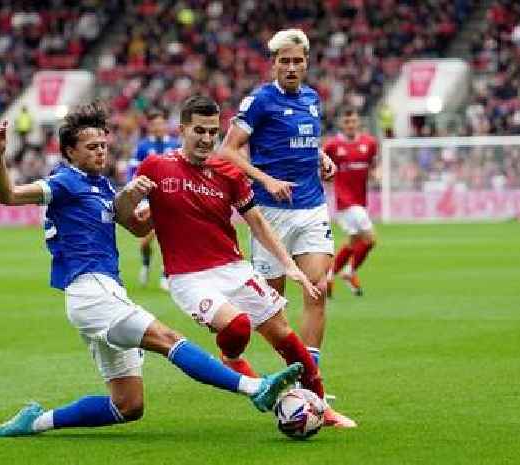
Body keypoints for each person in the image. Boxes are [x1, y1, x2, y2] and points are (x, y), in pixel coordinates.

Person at [0, 103, 302, 437]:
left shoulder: (104, 187)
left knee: (127, 405)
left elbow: (137, 228)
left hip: (104, 292)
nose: (100, 153)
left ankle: (34, 422)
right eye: (91, 148)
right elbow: (10, 195)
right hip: (90, 290)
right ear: (69, 152)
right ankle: (255, 387)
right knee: (168, 339)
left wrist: (165, 198)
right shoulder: (64, 182)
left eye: (104, 146)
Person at [135, 95, 355, 428]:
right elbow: (132, 219)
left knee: (283, 332)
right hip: (188, 277)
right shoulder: (155, 166)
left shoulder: (228, 171)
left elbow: (257, 222)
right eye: (199, 130)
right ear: (181, 129)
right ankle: (235, 362)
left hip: (233, 268)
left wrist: (289, 265)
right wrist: (129, 205)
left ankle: (321, 406)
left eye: (212, 131)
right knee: (237, 326)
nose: (207, 139)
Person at [217, 29, 337, 378]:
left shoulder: (313, 99)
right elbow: (227, 150)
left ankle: (309, 377)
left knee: (317, 289)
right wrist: (265, 179)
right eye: (284, 61)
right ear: (273, 65)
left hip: (312, 206)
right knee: (272, 305)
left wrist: (322, 156)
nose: (291, 66)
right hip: (271, 213)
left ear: (306, 63)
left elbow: (305, 140)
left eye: (297, 61)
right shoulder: (260, 102)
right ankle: (235, 352)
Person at [323, 107, 378, 297]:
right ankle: (349, 271)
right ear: (341, 124)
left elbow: (372, 165)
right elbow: (321, 167)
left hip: (360, 201)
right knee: (370, 239)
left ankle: (330, 275)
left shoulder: (369, 143)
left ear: (358, 123)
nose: (350, 125)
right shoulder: (332, 146)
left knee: (353, 242)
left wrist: (375, 174)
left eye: (353, 121)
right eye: (347, 122)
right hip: (344, 202)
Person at [126, 109, 181, 290]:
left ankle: (166, 274)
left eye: (161, 123)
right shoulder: (142, 147)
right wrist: (132, 192)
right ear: (150, 127)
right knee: (145, 241)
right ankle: (146, 263)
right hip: (147, 199)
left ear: (166, 125)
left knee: (169, 236)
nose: (158, 127)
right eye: (154, 124)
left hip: (170, 198)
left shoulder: (175, 144)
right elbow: (132, 172)